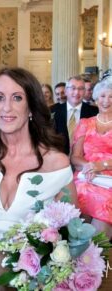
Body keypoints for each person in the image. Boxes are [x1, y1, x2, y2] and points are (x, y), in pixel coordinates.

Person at [0, 68, 77, 250]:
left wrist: (24, 262)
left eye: (17, 98)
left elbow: (69, 234)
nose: (6, 107)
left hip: (33, 274)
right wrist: (3, 258)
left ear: (31, 107)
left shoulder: (57, 165)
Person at [71, 76, 112, 239]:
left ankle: (93, 254)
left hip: (108, 177)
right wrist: (89, 167)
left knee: (103, 204)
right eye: (102, 96)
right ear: (96, 98)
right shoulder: (85, 123)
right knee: (77, 193)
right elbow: (75, 157)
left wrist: (99, 165)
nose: (106, 101)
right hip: (86, 175)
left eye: (111, 97)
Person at [51, 75, 98, 154]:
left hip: (84, 161)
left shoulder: (94, 112)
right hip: (59, 160)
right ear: (66, 91)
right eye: (73, 88)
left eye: (81, 89)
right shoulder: (53, 111)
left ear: (84, 92)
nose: (76, 92)